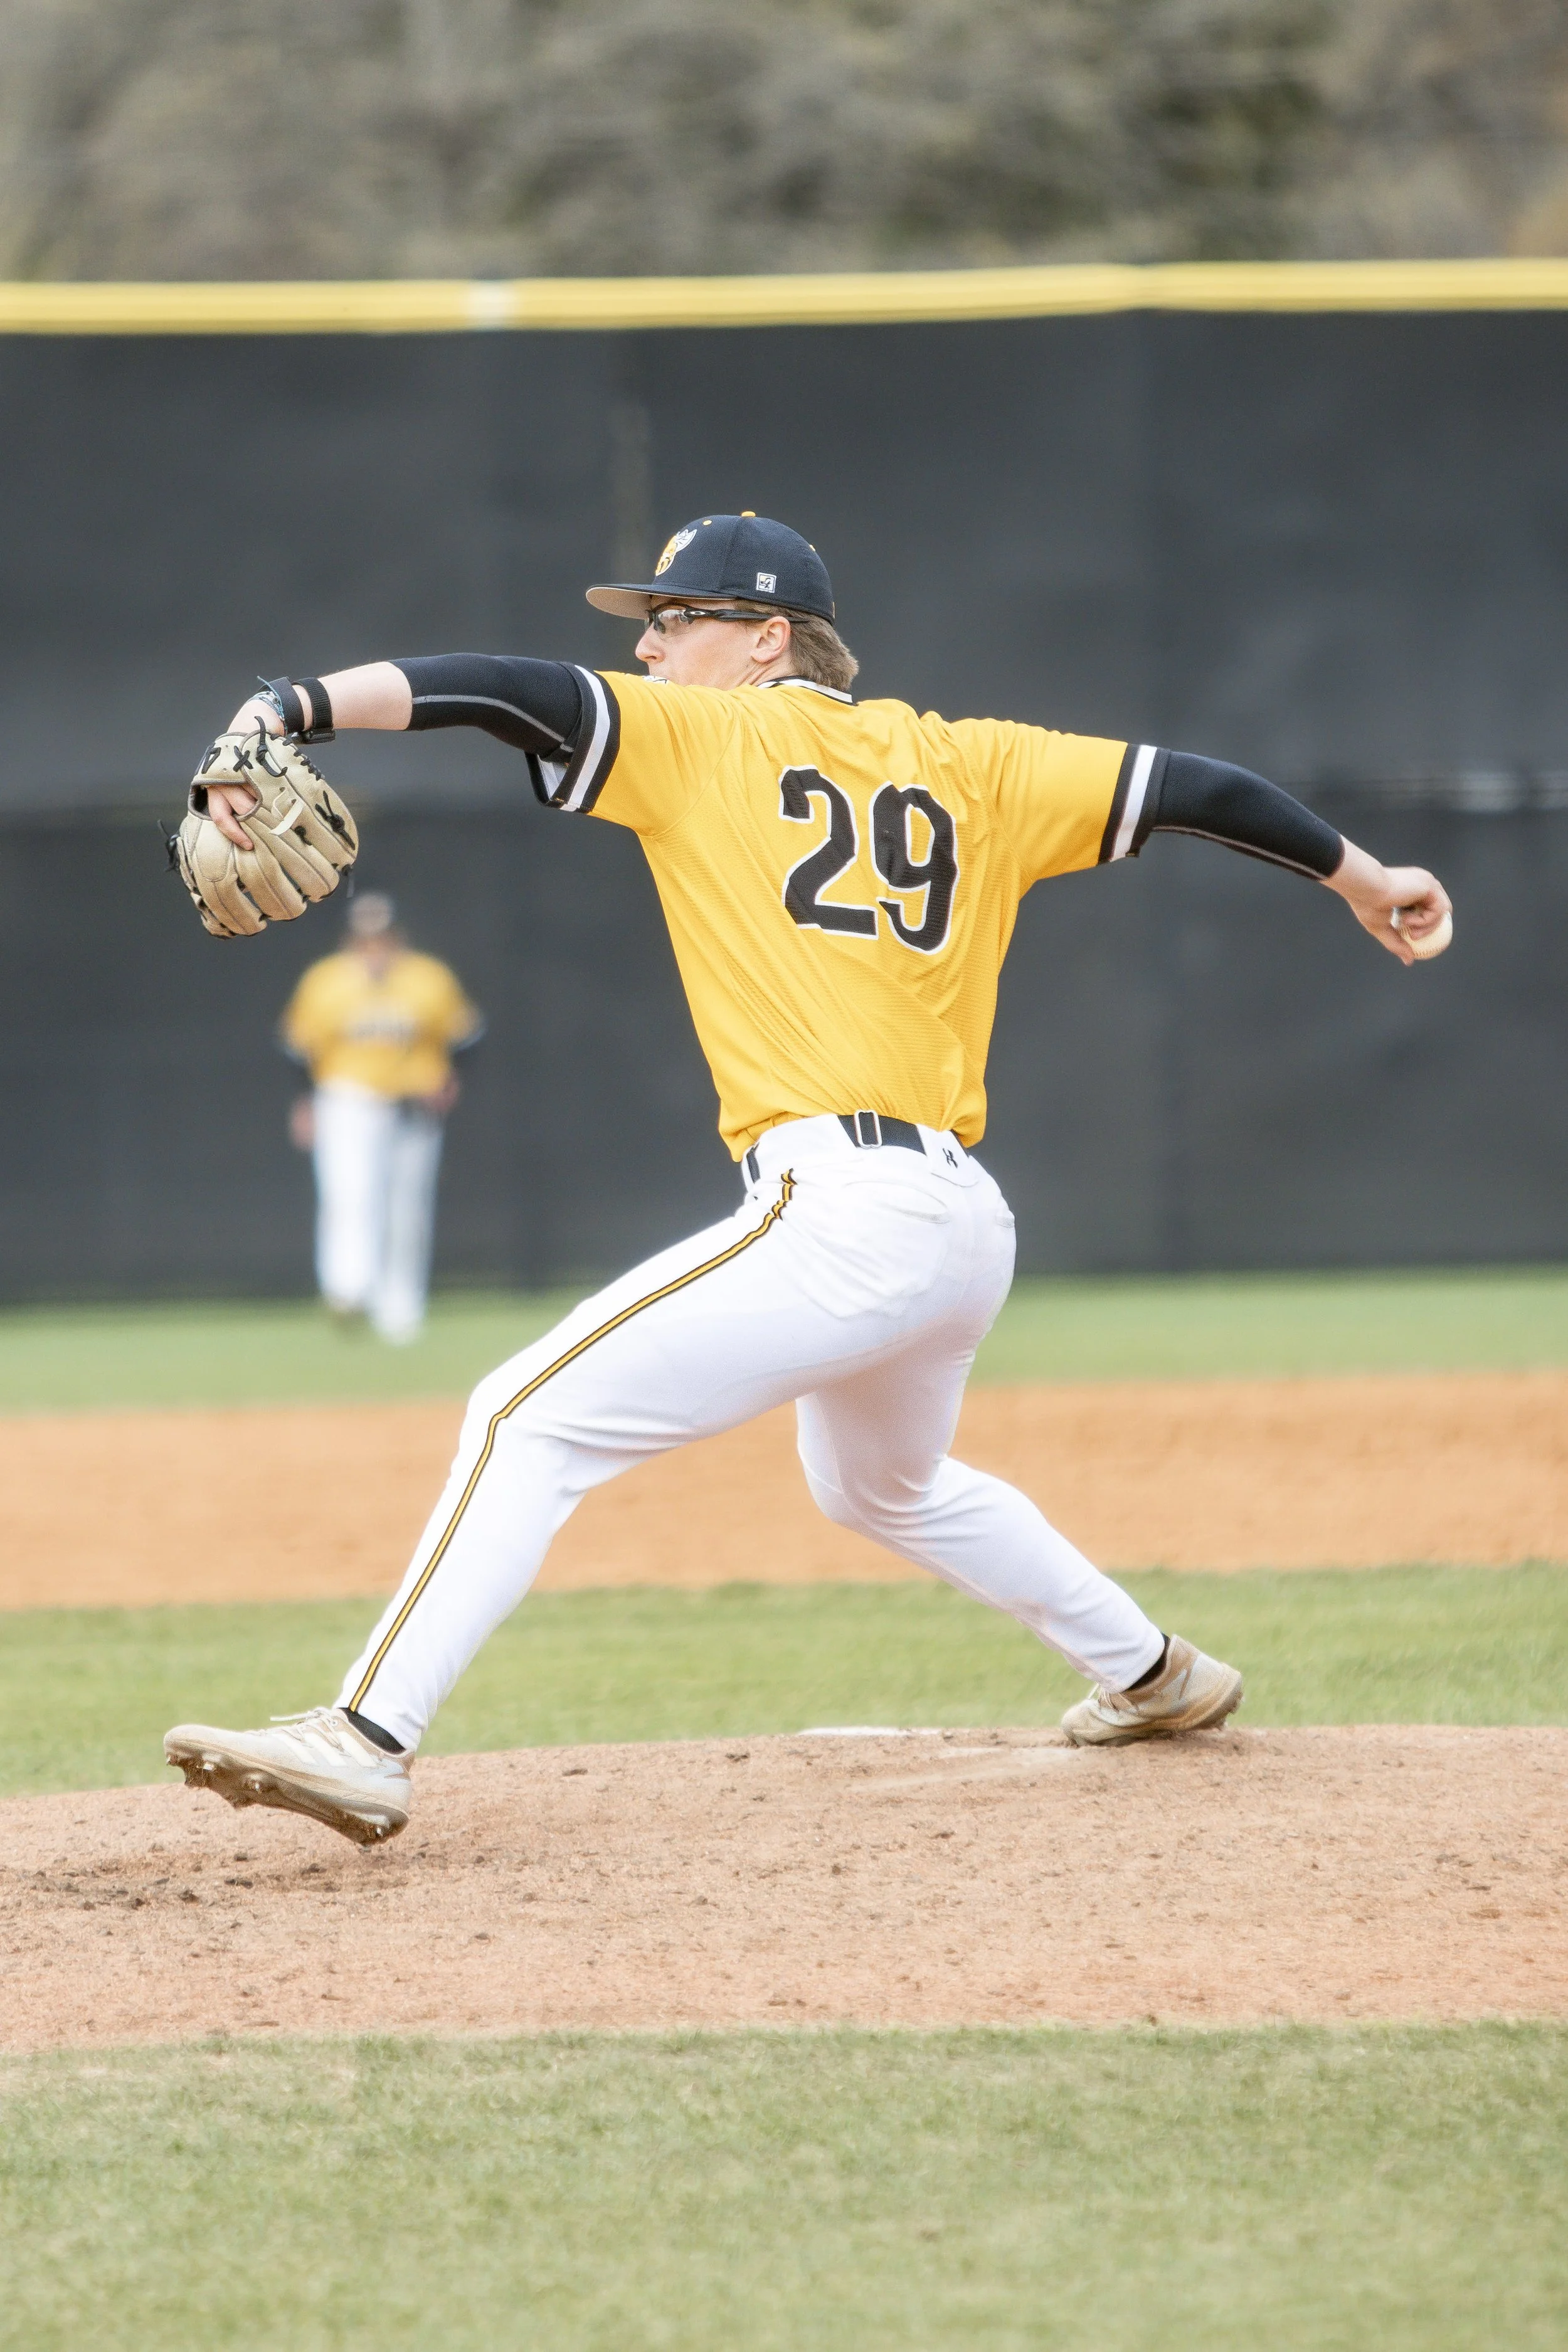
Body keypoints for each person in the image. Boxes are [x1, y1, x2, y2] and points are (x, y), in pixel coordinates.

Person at [165, 512, 1451, 1845]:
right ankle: (1152, 1673)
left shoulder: (704, 738)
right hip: (957, 1220)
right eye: (645, 627)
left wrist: (286, 705)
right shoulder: (974, 762)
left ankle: (366, 1738)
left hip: (840, 1208)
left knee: (521, 1416)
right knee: (878, 1484)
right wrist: (1363, 878)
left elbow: (496, 688)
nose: (649, 647)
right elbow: (1200, 787)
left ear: (767, 638)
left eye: (675, 621)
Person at [281, 891, 482, 1343]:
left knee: (407, 1210)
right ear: (350, 941)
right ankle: (348, 1291)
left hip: (412, 1105)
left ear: (398, 939)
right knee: (349, 1195)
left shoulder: (429, 978)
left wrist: (450, 1079)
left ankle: (400, 1311)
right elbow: (298, 1048)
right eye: (365, 939)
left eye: (382, 938)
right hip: (348, 1101)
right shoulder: (325, 981)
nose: (374, 947)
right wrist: (304, 1102)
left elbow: (466, 1036)